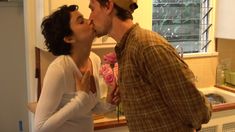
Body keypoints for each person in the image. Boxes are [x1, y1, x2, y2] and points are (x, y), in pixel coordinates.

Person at [88, 0, 212, 131]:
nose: (90, 18)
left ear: (108, 6)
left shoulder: (147, 47)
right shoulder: (127, 48)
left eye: (92, 9)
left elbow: (196, 110)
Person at [34, 5, 119, 132]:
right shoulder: (60, 69)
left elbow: (90, 106)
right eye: (81, 21)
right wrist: (79, 100)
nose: (89, 20)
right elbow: (39, 127)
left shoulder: (94, 60)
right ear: (69, 38)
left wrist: (109, 104)